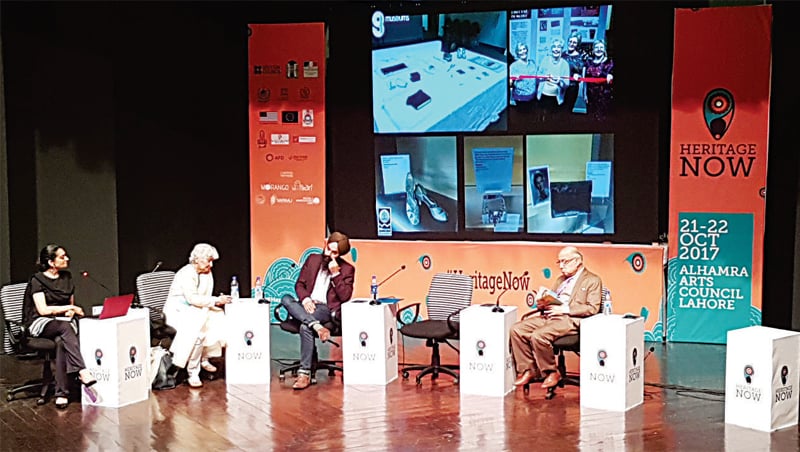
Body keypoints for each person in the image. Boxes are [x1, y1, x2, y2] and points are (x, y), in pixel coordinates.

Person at [510, 246, 602, 390]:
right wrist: (543, 302)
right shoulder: (560, 280)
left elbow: (592, 308)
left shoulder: (592, 280)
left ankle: (551, 372)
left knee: (539, 335)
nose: (561, 266)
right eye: (559, 262)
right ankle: (528, 369)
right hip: (551, 315)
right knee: (517, 329)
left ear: (577, 261)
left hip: (570, 319)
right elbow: (553, 299)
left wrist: (564, 309)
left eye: (565, 261)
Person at [22, 244, 98, 409]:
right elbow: (43, 310)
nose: (67, 259)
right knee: (64, 328)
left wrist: (69, 311)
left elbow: (69, 304)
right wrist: (70, 308)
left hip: (62, 322)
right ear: (51, 262)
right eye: (62, 257)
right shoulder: (37, 280)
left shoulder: (67, 278)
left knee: (61, 341)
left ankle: (61, 393)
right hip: (40, 322)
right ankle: (82, 370)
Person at [280, 232, 355, 390]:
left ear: (340, 254)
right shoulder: (313, 259)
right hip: (306, 304)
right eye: (328, 249)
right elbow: (299, 284)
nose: (329, 254)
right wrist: (306, 299)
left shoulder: (347, 269)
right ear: (325, 244)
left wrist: (336, 274)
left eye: (334, 253)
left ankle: (304, 374)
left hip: (325, 308)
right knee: (286, 299)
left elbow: (345, 296)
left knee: (304, 326)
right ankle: (316, 325)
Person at [164, 243, 231, 388]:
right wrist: (216, 300)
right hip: (179, 311)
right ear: (197, 259)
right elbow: (192, 299)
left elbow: (205, 296)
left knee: (218, 316)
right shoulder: (186, 273)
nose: (211, 265)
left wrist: (215, 302)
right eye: (209, 261)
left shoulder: (207, 273)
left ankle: (204, 357)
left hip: (197, 309)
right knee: (197, 331)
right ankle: (193, 372)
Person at [535, 37, 571, 121]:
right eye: (554, 46)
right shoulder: (545, 60)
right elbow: (538, 76)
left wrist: (559, 82)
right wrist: (545, 76)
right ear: (551, 49)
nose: (556, 49)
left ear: (562, 49)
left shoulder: (565, 64)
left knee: (553, 120)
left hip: (556, 98)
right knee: (540, 119)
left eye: (559, 47)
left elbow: (567, 84)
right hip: (543, 95)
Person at [584, 39, 614, 121]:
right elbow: (585, 80)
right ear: (593, 49)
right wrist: (585, 94)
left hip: (605, 96)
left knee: (603, 120)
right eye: (596, 47)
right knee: (590, 119)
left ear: (604, 49)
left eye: (601, 47)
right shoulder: (588, 62)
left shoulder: (609, 62)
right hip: (591, 95)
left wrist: (610, 76)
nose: (599, 49)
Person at [562, 31, 586, 113]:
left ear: (577, 44)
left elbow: (580, 74)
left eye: (574, 42)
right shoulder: (562, 54)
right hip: (560, 85)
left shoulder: (580, 57)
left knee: (567, 111)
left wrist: (578, 76)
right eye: (570, 41)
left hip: (572, 88)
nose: (571, 44)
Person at [509, 42, 537, 110]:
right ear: (517, 53)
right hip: (521, 99)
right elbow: (509, 83)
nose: (523, 52)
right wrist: (513, 79)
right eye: (520, 50)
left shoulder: (532, 63)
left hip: (533, 97)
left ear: (527, 50)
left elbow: (537, 77)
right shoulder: (514, 66)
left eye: (524, 49)